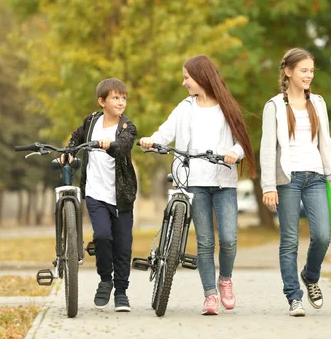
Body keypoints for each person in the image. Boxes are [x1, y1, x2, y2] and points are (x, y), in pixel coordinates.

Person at [139, 55, 256, 315]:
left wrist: (235, 154)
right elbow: (165, 132)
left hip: (224, 181)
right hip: (195, 183)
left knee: (228, 239)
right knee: (205, 241)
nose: (184, 83)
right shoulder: (185, 108)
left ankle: (225, 279)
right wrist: (151, 140)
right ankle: (209, 295)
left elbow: (242, 144)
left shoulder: (227, 107)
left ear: (201, 77)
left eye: (187, 78)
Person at [260, 48, 331, 317]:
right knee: (289, 239)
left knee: (323, 235)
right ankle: (294, 296)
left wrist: (330, 175)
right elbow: (268, 148)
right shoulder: (275, 106)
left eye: (311, 71)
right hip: (288, 179)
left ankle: (310, 275)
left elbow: (325, 140)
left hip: (315, 176)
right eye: (304, 70)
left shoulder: (318, 102)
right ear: (288, 71)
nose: (309, 75)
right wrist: (268, 186)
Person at [65, 78, 137, 312]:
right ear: (102, 101)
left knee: (123, 245)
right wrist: (68, 153)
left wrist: (111, 144)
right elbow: (75, 138)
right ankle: (106, 279)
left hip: (121, 196)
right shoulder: (91, 121)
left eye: (123, 98)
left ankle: (122, 292)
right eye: (115, 97)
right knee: (103, 237)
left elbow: (124, 147)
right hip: (96, 194)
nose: (121, 102)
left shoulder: (127, 127)